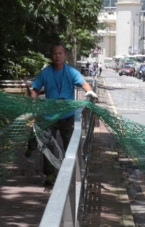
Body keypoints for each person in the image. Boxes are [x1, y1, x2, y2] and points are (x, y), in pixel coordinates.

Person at [29, 42, 97, 187]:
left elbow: (83, 83)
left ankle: (72, 173)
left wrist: (89, 91)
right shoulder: (45, 73)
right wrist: (33, 105)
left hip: (67, 116)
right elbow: (35, 89)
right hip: (49, 116)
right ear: (51, 56)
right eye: (55, 53)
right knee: (47, 146)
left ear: (64, 55)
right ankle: (49, 175)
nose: (57, 56)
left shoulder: (71, 72)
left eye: (60, 53)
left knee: (70, 145)